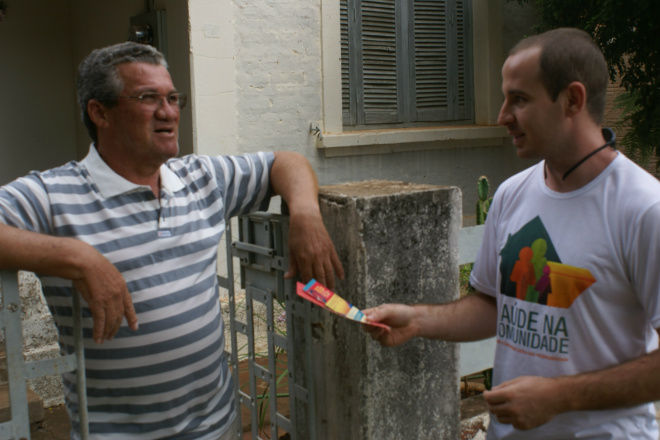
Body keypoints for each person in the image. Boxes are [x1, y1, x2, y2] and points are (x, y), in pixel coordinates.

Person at [0, 42, 344, 439]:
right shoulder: (54, 194)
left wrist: (304, 213)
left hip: (218, 428)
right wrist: (77, 257)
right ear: (100, 113)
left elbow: (286, 162)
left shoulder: (200, 177)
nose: (168, 112)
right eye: (148, 98)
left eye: (172, 98)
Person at [364, 28, 660, 439]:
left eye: (519, 99)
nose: (503, 115)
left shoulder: (645, 208)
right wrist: (417, 320)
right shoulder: (511, 194)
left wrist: (560, 396)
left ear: (572, 99)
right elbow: (493, 303)